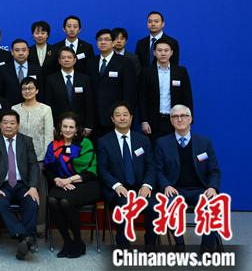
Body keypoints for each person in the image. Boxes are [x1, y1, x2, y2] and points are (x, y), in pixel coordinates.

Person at [155, 104, 222, 252]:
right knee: (170, 205)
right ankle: (179, 243)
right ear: (171, 120)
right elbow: (158, 170)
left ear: (190, 119)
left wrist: (212, 187)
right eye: (175, 116)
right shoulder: (162, 143)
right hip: (175, 189)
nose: (179, 119)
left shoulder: (204, 142)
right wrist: (166, 185)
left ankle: (207, 246)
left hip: (201, 189)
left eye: (183, 116)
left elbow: (214, 171)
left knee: (213, 204)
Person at [97, 103, 157, 250]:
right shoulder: (104, 141)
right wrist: (116, 185)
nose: (122, 118)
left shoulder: (143, 140)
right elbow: (102, 169)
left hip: (140, 188)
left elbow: (151, 166)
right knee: (124, 206)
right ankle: (123, 247)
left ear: (131, 118)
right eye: (118, 115)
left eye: (125, 114)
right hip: (118, 190)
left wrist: (147, 185)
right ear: (112, 119)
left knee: (154, 206)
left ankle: (150, 246)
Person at [0, 109, 39, 260]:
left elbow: (33, 165)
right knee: (0, 202)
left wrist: (33, 186)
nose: (8, 126)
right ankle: (26, 237)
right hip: (2, 185)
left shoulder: (26, 141)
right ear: (0, 124)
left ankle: (24, 240)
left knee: (32, 202)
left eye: (12, 123)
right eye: (5, 123)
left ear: (18, 125)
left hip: (22, 184)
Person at [45, 112, 100, 258]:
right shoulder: (54, 145)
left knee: (65, 201)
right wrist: (57, 180)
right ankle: (67, 242)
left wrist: (69, 180)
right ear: (60, 128)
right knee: (51, 200)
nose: (67, 130)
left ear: (76, 129)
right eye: (65, 126)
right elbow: (48, 168)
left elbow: (91, 171)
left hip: (86, 183)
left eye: (71, 127)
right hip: (61, 183)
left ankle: (78, 241)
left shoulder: (85, 143)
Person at [13, 77, 54, 232]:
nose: (27, 91)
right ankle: (21, 226)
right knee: (20, 191)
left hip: (39, 158)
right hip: (18, 157)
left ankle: (40, 226)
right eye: (24, 88)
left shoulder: (46, 109)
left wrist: (45, 158)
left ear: (37, 90)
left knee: (39, 192)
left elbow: (48, 136)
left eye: (30, 88)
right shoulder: (15, 109)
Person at [86, 29, 137, 139]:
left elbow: (129, 92)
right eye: (100, 40)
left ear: (113, 42)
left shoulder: (125, 62)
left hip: (115, 118)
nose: (103, 42)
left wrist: (124, 115)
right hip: (94, 118)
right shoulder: (91, 62)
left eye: (107, 39)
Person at [139, 38, 193, 138]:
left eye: (166, 50)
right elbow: (142, 98)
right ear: (154, 53)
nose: (163, 53)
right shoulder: (146, 72)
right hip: (153, 121)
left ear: (171, 52)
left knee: (174, 147)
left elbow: (187, 97)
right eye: (159, 50)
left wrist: (189, 120)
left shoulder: (180, 72)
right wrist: (144, 121)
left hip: (176, 119)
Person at [42, 47, 95, 133]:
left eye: (69, 57)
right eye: (63, 58)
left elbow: (89, 103)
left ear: (75, 60)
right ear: (59, 61)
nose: (66, 60)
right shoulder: (51, 79)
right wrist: (51, 125)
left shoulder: (84, 79)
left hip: (80, 125)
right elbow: (48, 104)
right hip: (58, 125)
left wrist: (88, 125)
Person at [0, 38, 42, 106]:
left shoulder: (37, 69)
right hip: (9, 108)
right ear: (12, 52)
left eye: (24, 50)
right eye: (17, 50)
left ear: (28, 52)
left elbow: (41, 91)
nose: (21, 53)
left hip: (33, 107)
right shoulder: (3, 69)